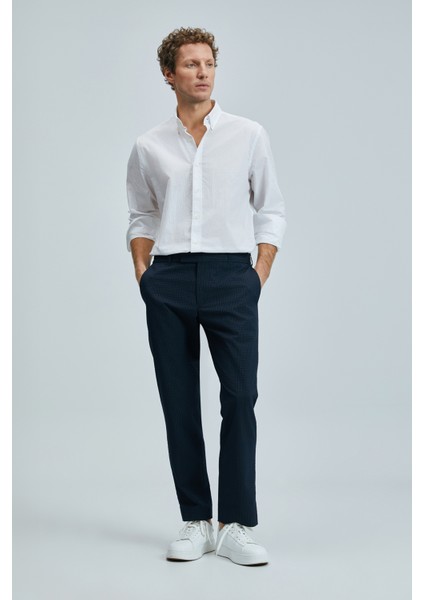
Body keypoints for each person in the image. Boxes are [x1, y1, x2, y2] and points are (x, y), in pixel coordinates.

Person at [126, 26, 287, 566]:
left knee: (240, 397)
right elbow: (142, 213)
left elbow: (271, 209)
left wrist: (257, 273)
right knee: (179, 402)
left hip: (231, 277)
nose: (202, 72)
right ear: (168, 74)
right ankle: (195, 518)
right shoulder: (149, 145)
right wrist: (143, 272)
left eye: (209, 63)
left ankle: (235, 523)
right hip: (169, 278)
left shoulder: (248, 135)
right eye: (190, 64)